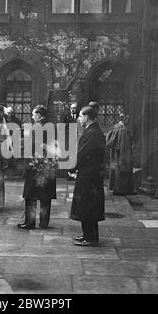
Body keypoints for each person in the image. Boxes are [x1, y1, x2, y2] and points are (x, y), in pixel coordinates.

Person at [70, 106, 105, 247]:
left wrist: (72, 167)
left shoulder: (92, 133)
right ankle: (88, 235)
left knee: (88, 206)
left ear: (87, 117)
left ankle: (90, 238)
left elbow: (82, 154)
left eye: (80, 116)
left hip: (89, 176)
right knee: (88, 206)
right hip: (91, 174)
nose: (79, 119)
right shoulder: (93, 131)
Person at [19, 105, 57, 229]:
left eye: (34, 114)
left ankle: (30, 222)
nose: (32, 116)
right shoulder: (53, 126)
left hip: (35, 166)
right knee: (46, 196)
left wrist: (26, 166)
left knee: (30, 196)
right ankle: (44, 222)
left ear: (39, 115)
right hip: (48, 166)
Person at [106, 113, 134, 195]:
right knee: (118, 170)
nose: (128, 120)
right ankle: (118, 189)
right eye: (126, 118)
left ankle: (124, 189)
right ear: (123, 118)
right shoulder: (118, 128)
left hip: (123, 152)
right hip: (118, 154)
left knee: (123, 170)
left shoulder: (124, 127)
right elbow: (110, 141)